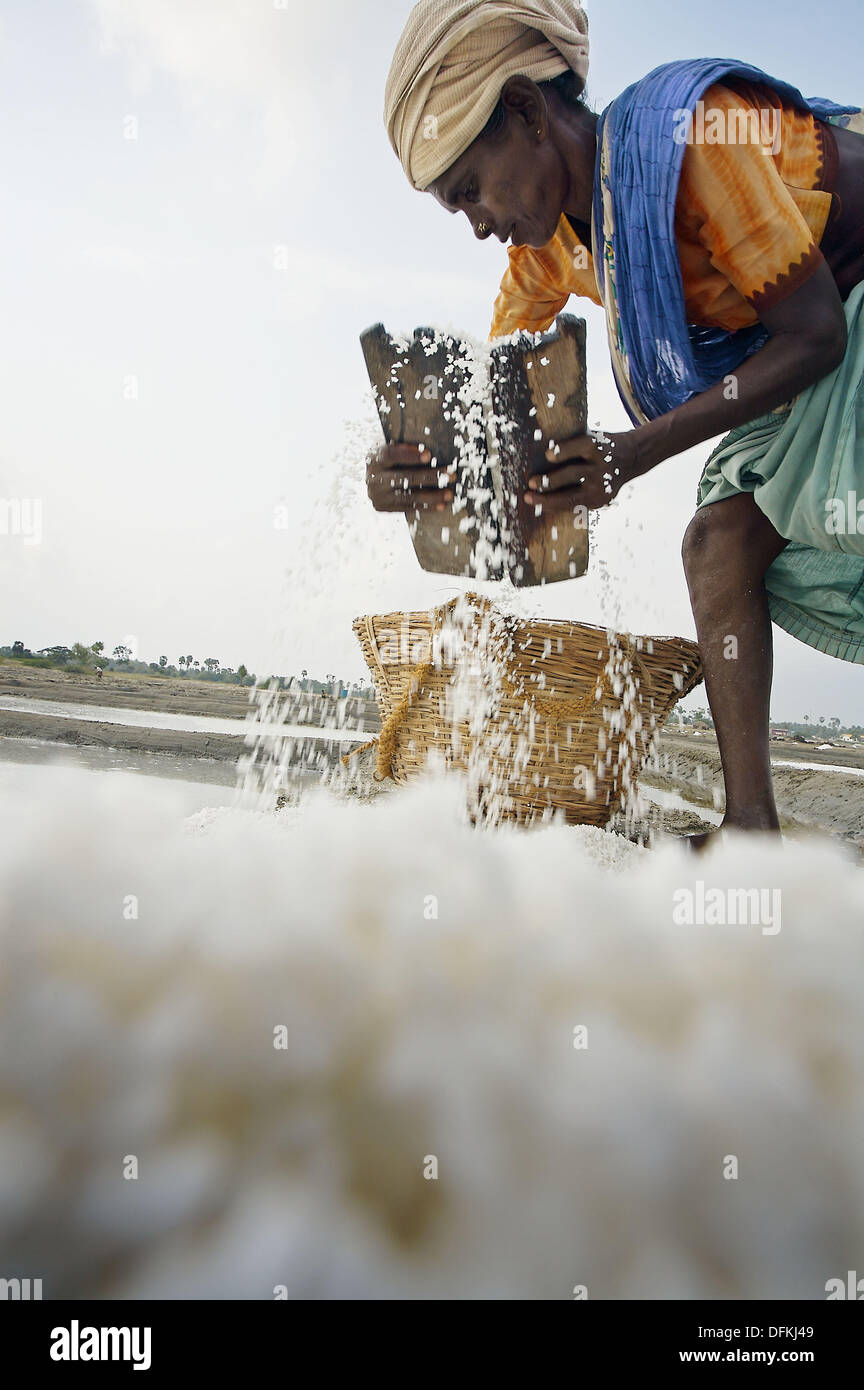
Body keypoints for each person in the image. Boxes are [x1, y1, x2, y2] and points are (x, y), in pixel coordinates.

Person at [366, 0, 864, 842]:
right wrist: (409, 476)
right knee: (717, 544)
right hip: (820, 352)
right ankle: (750, 827)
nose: (479, 225)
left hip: (836, 327)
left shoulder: (699, 139)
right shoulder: (546, 252)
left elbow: (815, 333)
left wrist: (632, 453)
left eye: (471, 193)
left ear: (525, 111)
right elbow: (495, 417)